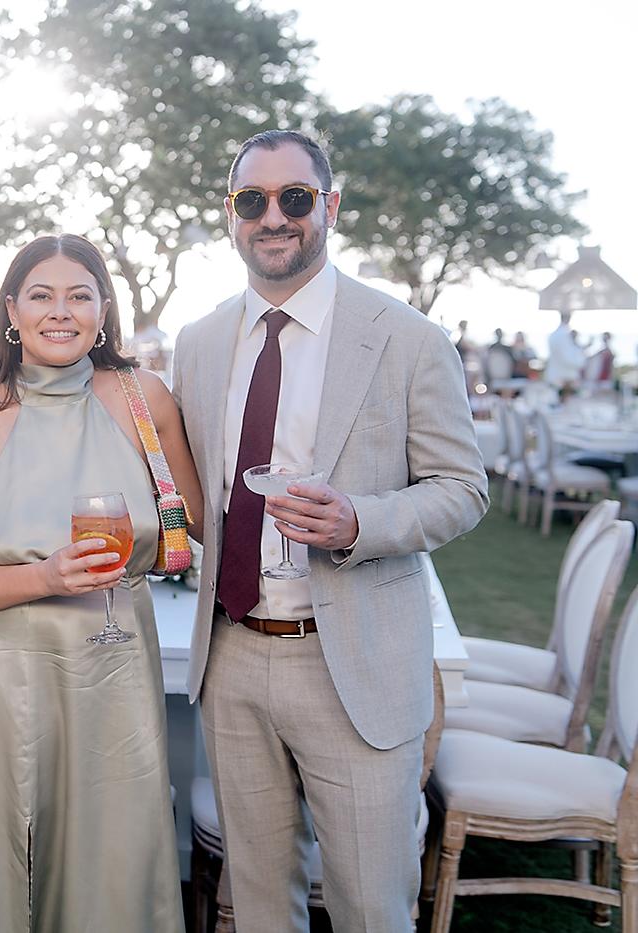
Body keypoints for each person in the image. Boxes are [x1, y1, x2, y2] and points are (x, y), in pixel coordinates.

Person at [172, 130, 488, 932]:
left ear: (330, 206)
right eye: (253, 200)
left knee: (370, 910)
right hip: (234, 654)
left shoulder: (409, 337)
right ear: (232, 216)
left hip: (356, 662)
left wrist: (361, 520)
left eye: (295, 198)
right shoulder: (200, 343)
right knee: (258, 906)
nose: (273, 217)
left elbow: (462, 488)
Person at [0, 234, 202, 933]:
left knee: (117, 845)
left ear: (103, 310)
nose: (61, 311)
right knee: (14, 842)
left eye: (80, 295)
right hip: (14, 672)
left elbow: (200, 518)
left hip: (118, 663)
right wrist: (44, 574)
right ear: (12, 310)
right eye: (42, 295)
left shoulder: (146, 400)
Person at [545, 309, 585, 396]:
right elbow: (568, 359)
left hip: (557, 376)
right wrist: (582, 361)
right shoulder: (563, 335)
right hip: (564, 379)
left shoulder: (554, 334)